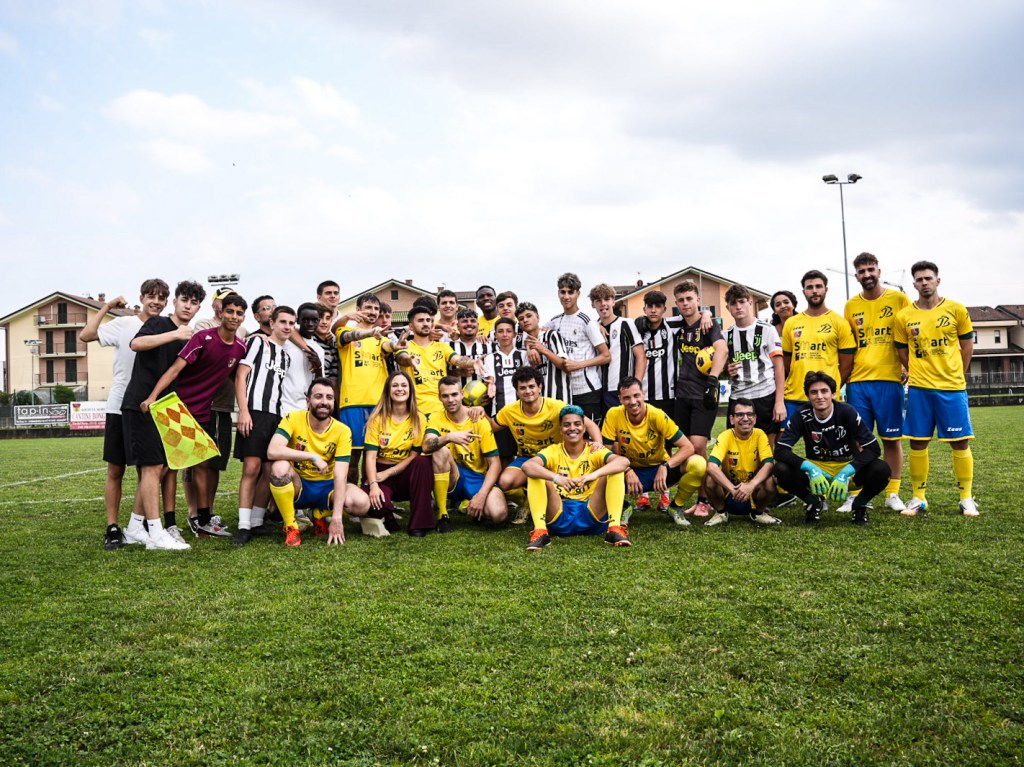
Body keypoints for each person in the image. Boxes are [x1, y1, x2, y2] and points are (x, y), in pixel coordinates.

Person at [140, 293, 248, 539]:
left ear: (243, 318)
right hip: (178, 409)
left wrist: (245, 409)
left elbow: (238, 379)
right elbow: (175, 369)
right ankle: (164, 523)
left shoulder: (241, 348)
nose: (234, 317)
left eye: (239, 313)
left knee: (202, 464)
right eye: (230, 311)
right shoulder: (203, 338)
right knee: (169, 467)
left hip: (203, 412)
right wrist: (153, 396)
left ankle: (203, 520)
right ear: (221, 313)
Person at [78, 279, 169, 549]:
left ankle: (137, 524)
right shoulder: (125, 324)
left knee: (150, 469)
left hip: (149, 407)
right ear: (141, 298)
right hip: (119, 405)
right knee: (116, 469)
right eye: (151, 296)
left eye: (161, 298)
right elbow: (86, 335)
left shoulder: (166, 328)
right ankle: (113, 527)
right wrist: (107, 306)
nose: (156, 302)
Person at [120, 279, 205, 550]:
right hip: (141, 402)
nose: (188, 306)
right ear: (175, 302)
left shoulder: (191, 336)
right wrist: (175, 335)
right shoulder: (159, 323)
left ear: (198, 308)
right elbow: (136, 344)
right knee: (152, 467)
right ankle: (156, 534)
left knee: (162, 467)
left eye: (194, 303)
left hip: (165, 406)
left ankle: (135, 528)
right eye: (184, 300)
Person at [894, 260, 978, 517]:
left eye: (928, 278)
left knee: (960, 443)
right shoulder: (904, 316)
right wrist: (915, 370)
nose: (924, 283)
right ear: (914, 284)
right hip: (919, 389)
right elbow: (902, 351)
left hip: (951, 388)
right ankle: (918, 498)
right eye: (919, 280)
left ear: (937, 281)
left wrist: (957, 373)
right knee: (918, 443)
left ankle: (966, 498)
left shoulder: (956, 309)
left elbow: (967, 346)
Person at [774, 372, 890, 526]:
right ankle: (813, 502)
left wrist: (846, 472)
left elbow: (873, 449)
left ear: (834, 394)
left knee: (882, 470)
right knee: (780, 470)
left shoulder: (847, 412)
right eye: (814, 392)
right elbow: (780, 450)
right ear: (808, 396)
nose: (819, 396)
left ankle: (859, 505)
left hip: (847, 470)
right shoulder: (802, 414)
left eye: (824, 391)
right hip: (817, 472)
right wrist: (810, 468)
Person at [843, 252, 912, 512]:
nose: (867, 275)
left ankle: (892, 493)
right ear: (856, 275)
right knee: (858, 441)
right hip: (858, 382)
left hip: (889, 380)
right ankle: (856, 494)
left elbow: (909, 336)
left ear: (879, 271)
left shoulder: (899, 299)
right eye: (862, 271)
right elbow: (848, 345)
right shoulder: (851, 306)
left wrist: (907, 366)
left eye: (871, 269)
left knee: (891, 439)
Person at [267, 377, 371, 546]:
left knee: (362, 503)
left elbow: (340, 475)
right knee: (279, 468)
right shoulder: (293, 418)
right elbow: (273, 450)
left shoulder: (343, 431)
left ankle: (320, 513)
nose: (324, 402)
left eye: (329, 397)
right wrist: (312, 456)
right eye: (318, 396)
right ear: (308, 401)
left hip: (327, 488)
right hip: (300, 485)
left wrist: (337, 518)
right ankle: (291, 526)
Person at [521, 405, 632, 550]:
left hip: (591, 511)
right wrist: (557, 478)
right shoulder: (553, 451)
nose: (572, 428)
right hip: (559, 513)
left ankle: (614, 529)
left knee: (614, 470)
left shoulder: (594, 450)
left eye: (577, 424)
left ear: (584, 428)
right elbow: (527, 466)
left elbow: (623, 462)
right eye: (567, 425)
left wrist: (593, 475)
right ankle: (540, 531)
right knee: (536, 473)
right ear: (561, 430)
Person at [601, 377, 706, 527]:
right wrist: (626, 470)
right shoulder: (613, 414)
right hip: (630, 472)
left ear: (643, 394)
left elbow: (688, 447)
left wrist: (665, 466)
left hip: (659, 471)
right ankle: (623, 507)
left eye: (636, 395)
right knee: (598, 466)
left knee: (698, 464)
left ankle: (676, 506)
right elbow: (605, 451)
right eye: (627, 398)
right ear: (620, 399)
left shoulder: (657, 415)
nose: (633, 402)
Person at [186, 287, 249, 532]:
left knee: (215, 462)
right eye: (224, 304)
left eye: (237, 310)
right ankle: (194, 513)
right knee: (195, 462)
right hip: (200, 403)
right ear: (216, 307)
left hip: (223, 404)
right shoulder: (204, 326)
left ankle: (208, 512)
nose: (231, 313)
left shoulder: (241, 333)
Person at [232, 306, 294, 545]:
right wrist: (244, 411)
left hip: (275, 417)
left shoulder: (286, 356)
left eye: (291, 323)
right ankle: (243, 526)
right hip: (254, 413)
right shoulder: (258, 343)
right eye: (283, 322)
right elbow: (241, 376)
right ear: (273, 323)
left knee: (269, 470)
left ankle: (257, 521)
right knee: (251, 468)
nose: (287, 327)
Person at [489, 366, 603, 495]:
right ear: (517, 391)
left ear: (540, 387)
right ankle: (525, 498)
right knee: (505, 482)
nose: (528, 391)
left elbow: (589, 424)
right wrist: (479, 411)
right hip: (528, 458)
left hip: (556, 457)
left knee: (565, 490)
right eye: (523, 388)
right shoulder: (509, 411)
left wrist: (598, 443)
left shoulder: (556, 406)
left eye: (531, 386)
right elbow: (489, 427)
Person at [669, 280, 727, 518]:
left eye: (689, 299)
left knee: (699, 446)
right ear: (676, 303)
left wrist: (713, 379)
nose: (685, 304)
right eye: (681, 300)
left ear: (698, 300)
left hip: (703, 395)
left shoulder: (708, 324)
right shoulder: (676, 325)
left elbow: (722, 350)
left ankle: (704, 500)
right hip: (681, 395)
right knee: (685, 449)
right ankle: (691, 496)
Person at [423, 376, 507, 528]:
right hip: (453, 476)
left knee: (498, 514)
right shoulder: (436, 417)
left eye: (454, 394)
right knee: (440, 450)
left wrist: (481, 496)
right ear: (439, 397)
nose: (450, 400)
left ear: (462, 394)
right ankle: (443, 515)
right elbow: (426, 446)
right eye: (445, 396)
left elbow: (495, 464)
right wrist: (449, 437)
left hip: (477, 477)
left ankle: (465, 504)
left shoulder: (478, 419)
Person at [363, 370, 436, 536]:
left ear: (410, 390)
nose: (400, 389)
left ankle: (419, 525)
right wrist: (373, 485)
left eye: (404, 385)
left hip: (405, 471)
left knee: (422, 463)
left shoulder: (419, 418)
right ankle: (387, 513)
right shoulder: (377, 418)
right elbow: (370, 457)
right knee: (375, 506)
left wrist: (389, 472)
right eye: (395, 385)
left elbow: (414, 455)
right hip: (380, 471)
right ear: (388, 390)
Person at [335, 293, 397, 483]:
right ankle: (350, 495)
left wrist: (397, 345)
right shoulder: (345, 331)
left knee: (375, 457)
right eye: (368, 307)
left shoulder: (381, 337)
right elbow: (347, 336)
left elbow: (388, 347)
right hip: (353, 403)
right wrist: (370, 333)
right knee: (353, 457)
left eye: (376, 308)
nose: (372, 312)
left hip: (379, 404)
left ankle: (369, 494)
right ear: (358, 309)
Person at [781, 271, 856, 422]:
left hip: (826, 400)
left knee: (828, 437)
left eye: (818, 286)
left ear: (826, 289)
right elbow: (787, 361)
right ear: (804, 292)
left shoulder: (839, 322)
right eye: (809, 287)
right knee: (786, 437)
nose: (814, 291)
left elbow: (847, 364)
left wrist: (829, 388)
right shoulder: (791, 323)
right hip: (794, 396)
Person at [723, 284, 786, 446]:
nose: (738, 306)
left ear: (750, 303)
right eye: (733, 303)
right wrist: (726, 370)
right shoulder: (726, 335)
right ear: (728, 307)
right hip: (737, 396)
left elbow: (779, 367)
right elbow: (722, 367)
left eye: (742, 301)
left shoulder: (767, 330)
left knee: (767, 444)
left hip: (765, 394)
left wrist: (779, 401)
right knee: (736, 445)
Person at [705, 398, 780, 526]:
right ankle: (721, 512)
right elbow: (711, 466)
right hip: (729, 492)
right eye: (740, 415)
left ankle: (758, 513)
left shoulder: (760, 435)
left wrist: (751, 485)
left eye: (749, 414)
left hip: (753, 492)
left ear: (755, 418)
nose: (745, 418)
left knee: (771, 480)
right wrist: (733, 490)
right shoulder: (725, 436)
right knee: (710, 479)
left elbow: (769, 464)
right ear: (732, 419)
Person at [548, 272, 611, 423]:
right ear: (558, 293)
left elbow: (606, 356)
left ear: (578, 294)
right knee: (570, 433)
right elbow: (534, 333)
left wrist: (578, 365)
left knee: (590, 433)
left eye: (570, 292)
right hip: (565, 391)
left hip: (588, 390)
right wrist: (531, 347)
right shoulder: (554, 321)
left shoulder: (587, 321)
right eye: (563, 292)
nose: (566, 296)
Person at [394, 305, 475, 419]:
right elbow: (401, 358)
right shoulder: (404, 346)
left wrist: (474, 363)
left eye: (428, 320)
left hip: (443, 410)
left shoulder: (442, 347)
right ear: (411, 326)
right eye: (420, 320)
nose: (425, 323)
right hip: (417, 411)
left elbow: (458, 359)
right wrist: (409, 360)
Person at [589, 283, 646, 413]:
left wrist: (635, 387)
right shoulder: (592, 327)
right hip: (599, 390)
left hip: (622, 390)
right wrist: (596, 325)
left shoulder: (626, 323)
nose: (603, 304)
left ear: (613, 301)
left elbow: (641, 356)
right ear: (593, 304)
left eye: (607, 299)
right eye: (598, 300)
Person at [515, 302, 570, 402]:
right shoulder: (523, 345)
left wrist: (542, 349)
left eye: (529, 316)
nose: (525, 320)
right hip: (537, 403)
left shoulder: (551, 335)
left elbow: (565, 366)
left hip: (558, 398)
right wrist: (529, 347)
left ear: (538, 318)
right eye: (521, 319)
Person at [635, 290, 676, 416]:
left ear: (664, 309)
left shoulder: (673, 325)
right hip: (643, 395)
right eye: (650, 306)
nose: (653, 310)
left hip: (667, 396)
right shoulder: (635, 329)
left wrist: (707, 314)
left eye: (658, 306)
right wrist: (599, 325)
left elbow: (694, 315)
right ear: (644, 309)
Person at [280, 303, 325, 416]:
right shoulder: (285, 341)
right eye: (305, 320)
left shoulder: (319, 350)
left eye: (314, 320)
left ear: (319, 321)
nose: (310, 324)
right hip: (282, 405)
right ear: (298, 320)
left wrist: (318, 366)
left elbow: (319, 382)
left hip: (304, 407)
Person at [482, 317, 528, 414]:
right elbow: (491, 380)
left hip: (523, 411)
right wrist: (490, 384)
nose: (505, 335)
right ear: (495, 335)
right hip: (499, 411)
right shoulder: (490, 358)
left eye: (509, 331)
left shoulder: (524, 355)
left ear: (514, 334)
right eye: (500, 331)